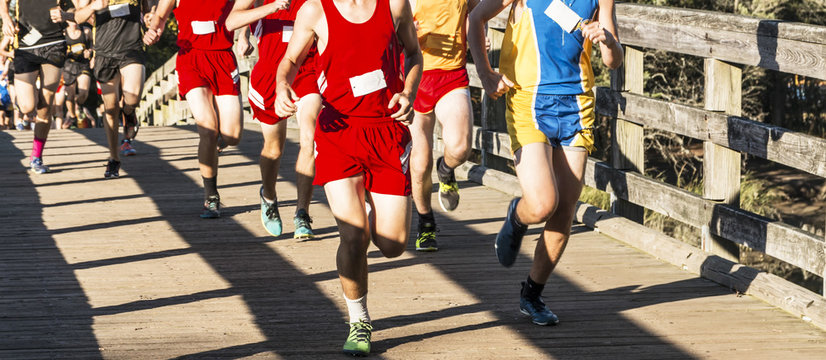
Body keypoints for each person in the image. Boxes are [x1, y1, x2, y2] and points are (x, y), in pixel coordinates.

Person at [274, 0, 422, 355]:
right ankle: (359, 321)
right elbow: (290, 61)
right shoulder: (316, 10)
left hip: (386, 132)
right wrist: (282, 86)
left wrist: (409, 92)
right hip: (339, 133)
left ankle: (370, 210)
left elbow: (414, 55)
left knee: (393, 245)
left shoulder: (394, 5)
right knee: (354, 236)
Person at [468, 0, 623, 325]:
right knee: (542, 204)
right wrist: (485, 73)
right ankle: (518, 216)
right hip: (529, 100)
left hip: (577, 104)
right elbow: (476, 17)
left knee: (565, 208)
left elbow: (613, 60)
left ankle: (533, 294)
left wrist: (607, 42)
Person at [144, 0, 253, 218]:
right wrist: (154, 29)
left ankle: (216, 145)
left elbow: (249, 7)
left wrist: (244, 36)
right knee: (207, 129)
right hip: (191, 59)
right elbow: (161, 15)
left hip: (223, 58)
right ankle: (211, 197)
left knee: (232, 137)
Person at [226, 0, 320, 239]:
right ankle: (268, 196)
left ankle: (302, 213)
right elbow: (232, 20)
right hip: (270, 73)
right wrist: (269, 11)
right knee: (274, 149)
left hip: (307, 71)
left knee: (309, 138)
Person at [407, 0, 482, 252]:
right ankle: (425, 223)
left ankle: (446, 169)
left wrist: (475, 34)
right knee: (419, 163)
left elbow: (476, 10)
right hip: (415, 76)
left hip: (452, 74)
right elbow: (385, 29)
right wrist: (408, 33)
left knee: (461, 148)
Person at [73, 0, 152, 178]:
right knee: (110, 108)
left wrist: (150, 19)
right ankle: (114, 158)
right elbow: (78, 17)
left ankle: (129, 112)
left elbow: (147, 12)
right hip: (104, 52)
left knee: (133, 98)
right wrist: (93, 7)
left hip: (132, 47)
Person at [1, 0, 71, 173]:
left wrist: (66, 15)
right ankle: (23, 102)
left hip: (54, 44)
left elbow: (74, 9)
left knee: (45, 107)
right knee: (27, 106)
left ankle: (36, 157)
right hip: (25, 46)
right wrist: (5, 17)